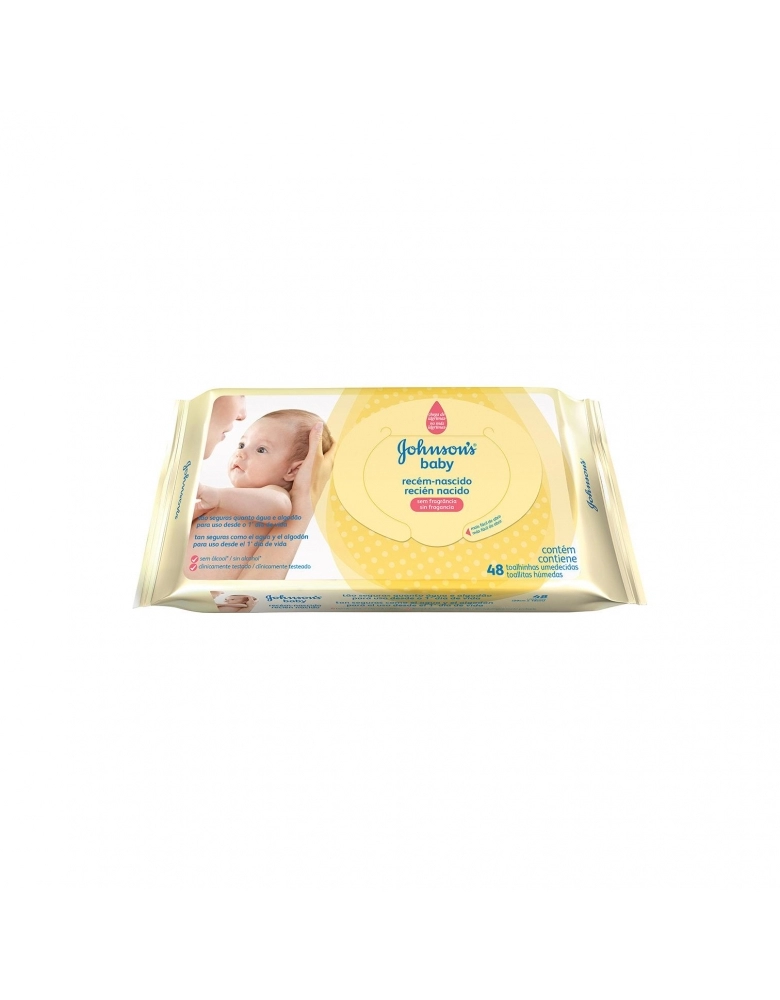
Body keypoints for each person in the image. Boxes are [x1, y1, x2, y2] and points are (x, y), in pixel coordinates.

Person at [187, 411, 335, 580]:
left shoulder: (273, 493)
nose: (240, 453)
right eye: (242, 445)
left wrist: (217, 496)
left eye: (261, 450)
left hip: (205, 589)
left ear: (293, 471)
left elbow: (279, 507)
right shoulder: (230, 498)